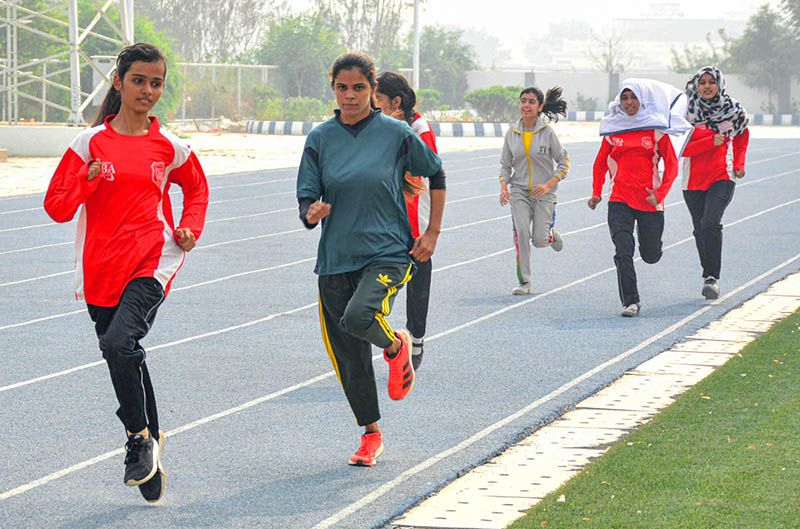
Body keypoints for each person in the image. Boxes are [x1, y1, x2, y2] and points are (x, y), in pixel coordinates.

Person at [43, 43, 209, 503]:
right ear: (119, 83)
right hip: (100, 269)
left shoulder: (169, 146)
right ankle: (150, 441)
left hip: (152, 260)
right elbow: (56, 207)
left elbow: (196, 189)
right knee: (124, 353)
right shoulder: (89, 144)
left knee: (120, 343)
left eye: (156, 82)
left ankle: (138, 438)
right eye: (139, 80)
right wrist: (86, 179)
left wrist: (189, 226)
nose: (148, 90)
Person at [297, 52, 445, 467]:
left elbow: (436, 172)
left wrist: (432, 232)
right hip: (334, 260)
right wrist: (310, 212)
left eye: (359, 88)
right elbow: (306, 195)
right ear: (333, 89)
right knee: (349, 357)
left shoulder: (395, 134)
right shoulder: (320, 139)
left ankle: (397, 344)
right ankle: (370, 436)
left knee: (360, 317)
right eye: (342, 88)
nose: (350, 96)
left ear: (373, 89)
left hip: (387, 252)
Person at [589, 79, 689, 317]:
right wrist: (596, 192)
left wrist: (660, 193)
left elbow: (672, 166)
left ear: (642, 99)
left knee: (650, 255)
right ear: (619, 102)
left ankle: (652, 250)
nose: (629, 103)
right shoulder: (614, 130)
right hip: (619, 199)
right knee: (623, 250)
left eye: (633, 98)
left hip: (649, 201)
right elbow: (600, 163)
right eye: (624, 98)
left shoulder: (655, 129)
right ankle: (631, 302)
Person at [375, 71, 438, 370]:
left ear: (395, 102)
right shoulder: (377, 126)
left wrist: (429, 232)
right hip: (384, 222)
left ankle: (416, 338)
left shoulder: (419, 130)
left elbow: (430, 178)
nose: (370, 105)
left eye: (377, 101)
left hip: (415, 224)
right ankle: (390, 340)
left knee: (416, 282)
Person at [682, 66, 749, 299]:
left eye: (712, 82)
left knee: (711, 223)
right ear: (697, 85)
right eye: (703, 82)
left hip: (722, 175)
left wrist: (739, 163)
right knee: (700, 229)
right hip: (692, 181)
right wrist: (710, 141)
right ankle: (707, 274)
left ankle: (712, 278)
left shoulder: (733, 111)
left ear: (720, 84)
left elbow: (741, 136)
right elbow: (681, 149)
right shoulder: (687, 114)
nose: (707, 86)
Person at [498, 86, 569, 295]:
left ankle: (550, 234)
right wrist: (504, 187)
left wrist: (548, 185)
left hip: (544, 193)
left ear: (540, 107)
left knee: (539, 240)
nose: (526, 105)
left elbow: (563, 163)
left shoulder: (547, 133)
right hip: (519, 191)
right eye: (523, 101)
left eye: (531, 102)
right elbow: (505, 165)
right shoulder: (512, 133)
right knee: (521, 232)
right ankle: (525, 282)